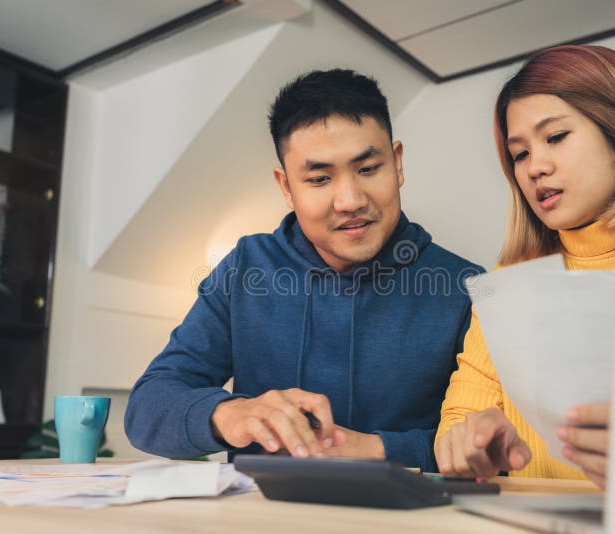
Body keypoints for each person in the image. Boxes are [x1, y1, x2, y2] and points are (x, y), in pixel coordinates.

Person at [125, 69, 483, 472]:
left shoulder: (467, 288)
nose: (349, 200)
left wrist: (378, 449)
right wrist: (231, 415)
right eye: (319, 179)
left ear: (397, 164)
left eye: (368, 169)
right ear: (286, 187)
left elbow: (495, 445)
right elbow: (147, 406)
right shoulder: (246, 268)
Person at [435, 45, 615, 489]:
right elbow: (454, 428)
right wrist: (471, 445)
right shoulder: (504, 286)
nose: (536, 167)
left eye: (555, 138)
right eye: (520, 154)